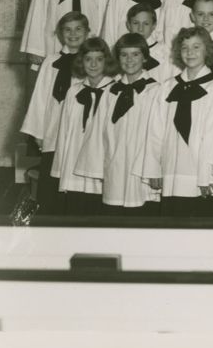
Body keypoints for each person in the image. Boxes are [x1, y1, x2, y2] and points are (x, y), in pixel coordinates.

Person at [75, 33, 160, 215]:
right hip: (114, 167)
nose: (129, 60)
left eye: (135, 54)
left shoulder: (155, 91)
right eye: (124, 55)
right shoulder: (111, 91)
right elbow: (98, 132)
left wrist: (154, 169)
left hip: (140, 170)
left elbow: (157, 136)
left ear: (145, 57)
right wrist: (98, 169)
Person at [142, 25, 213, 217]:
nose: (190, 52)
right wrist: (153, 169)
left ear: (207, 50)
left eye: (196, 47)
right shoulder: (168, 86)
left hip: (199, 175)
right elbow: (155, 131)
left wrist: (208, 176)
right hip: (171, 170)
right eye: (185, 47)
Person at [21, 12, 91, 214]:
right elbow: (40, 98)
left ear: (87, 32)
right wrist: (38, 134)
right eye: (67, 29)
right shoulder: (51, 61)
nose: (73, 34)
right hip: (53, 129)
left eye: (78, 29)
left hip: (81, 131)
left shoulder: (93, 60)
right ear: (60, 34)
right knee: (51, 182)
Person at [52, 36, 116, 215]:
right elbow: (64, 132)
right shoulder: (74, 92)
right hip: (74, 165)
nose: (93, 64)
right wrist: (61, 170)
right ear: (81, 62)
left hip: (101, 170)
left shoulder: (115, 92)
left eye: (99, 59)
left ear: (107, 61)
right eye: (88, 59)